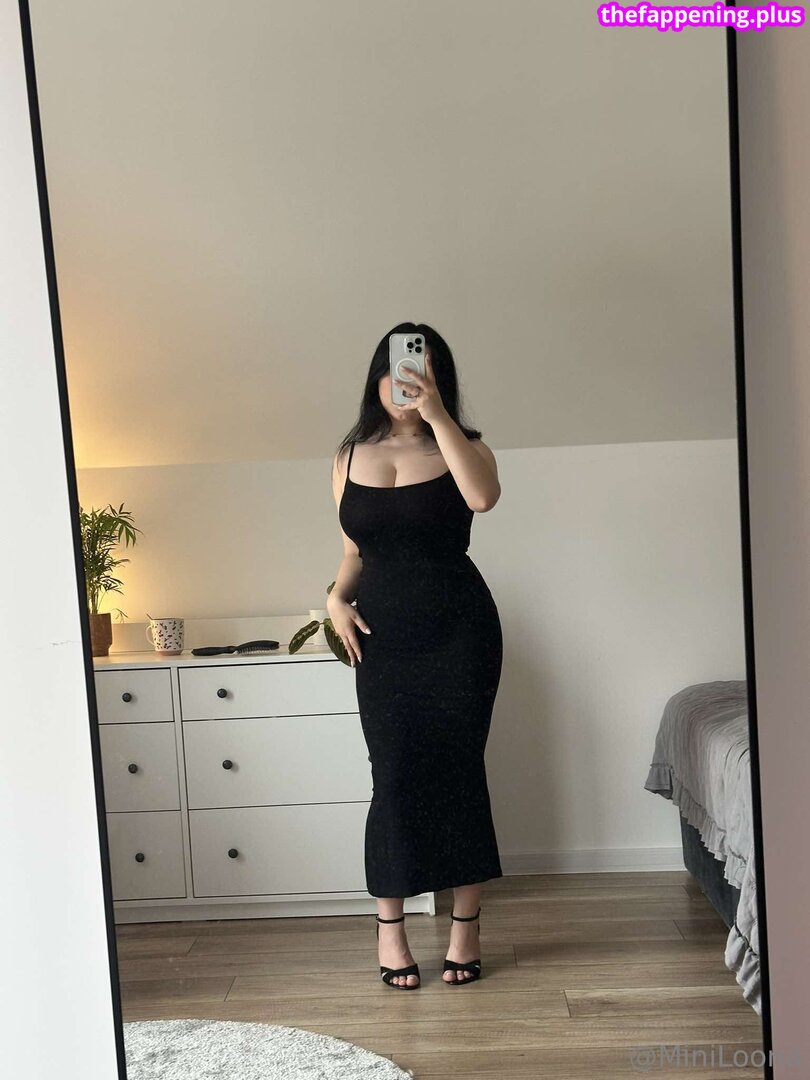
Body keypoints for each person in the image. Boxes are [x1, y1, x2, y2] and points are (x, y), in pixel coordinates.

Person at [328, 322, 504, 989]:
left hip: (460, 633)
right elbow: (354, 553)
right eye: (397, 367)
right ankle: (390, 930)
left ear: (438, 377)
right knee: (393, 777)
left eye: (421, 368)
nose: (405, 379)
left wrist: (436, 416)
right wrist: (334, 599)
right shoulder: (348, 457)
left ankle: (466, 928)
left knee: (460, 774)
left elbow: (482, 498)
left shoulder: (467, 446)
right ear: (377, 376)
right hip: (385, 639)